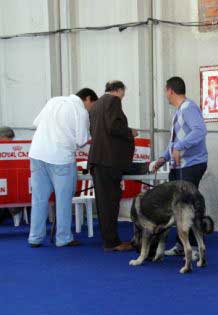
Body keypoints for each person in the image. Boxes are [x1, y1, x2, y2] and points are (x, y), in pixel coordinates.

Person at [27, 88, 98, 247]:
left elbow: (36, 123)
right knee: (63, 199)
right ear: (87, 99)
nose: (90, 109)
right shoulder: (80, 110)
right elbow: (81, 140)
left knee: (39, 199)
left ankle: (35, 238)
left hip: (37, 154)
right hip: (61, 158)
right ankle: (63, 238)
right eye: (92, 105)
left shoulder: (53, 100)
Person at [152, 77, 208, 257]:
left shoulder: (188, 108)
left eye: (165, 91)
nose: (165, 95)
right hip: (180, 165)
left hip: (191, 165)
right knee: (178, 207)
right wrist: (163, 157)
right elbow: (175, 141)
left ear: (170, 91)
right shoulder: (180, 110)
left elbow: (199, 131)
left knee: (187, 206)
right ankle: (181, 245)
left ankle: (194, 248)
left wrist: (179, 146)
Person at [88, 81, 138, 251]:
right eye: (123, 93)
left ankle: (109, 240)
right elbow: (114, 126)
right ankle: (113, 243)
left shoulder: (95, 106)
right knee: (111, 202)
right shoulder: (113, 101)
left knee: (103, 203)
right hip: (109, 161)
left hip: (97, 159)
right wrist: (129, 131)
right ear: (119, 90)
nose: (123, 96)